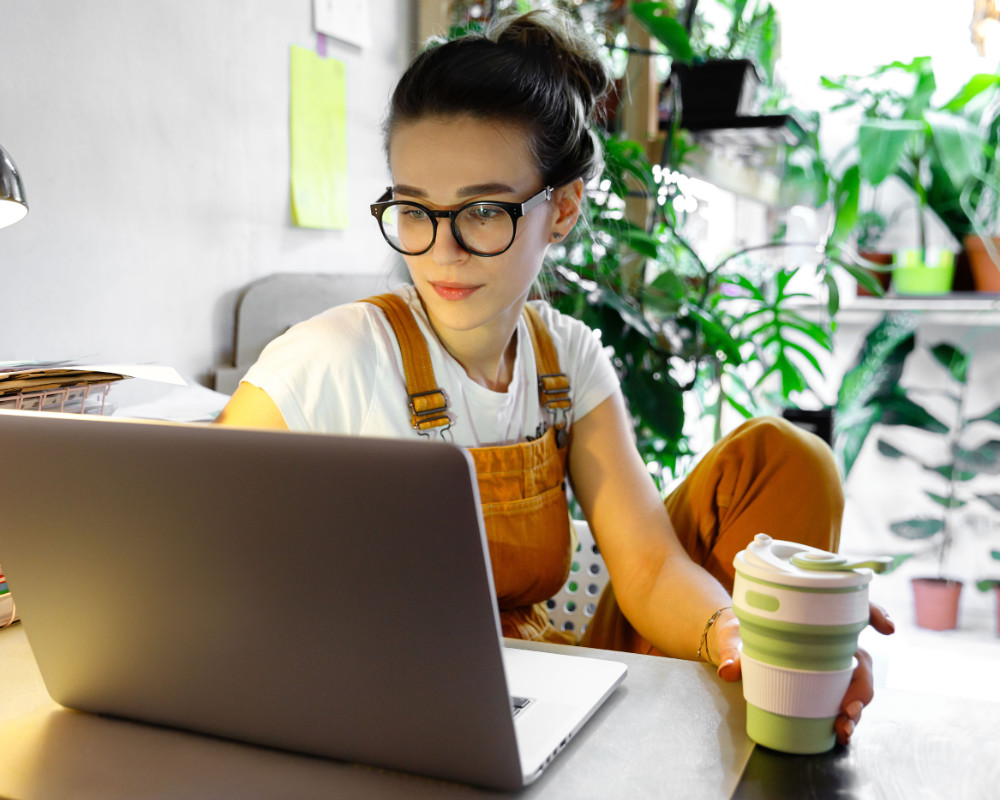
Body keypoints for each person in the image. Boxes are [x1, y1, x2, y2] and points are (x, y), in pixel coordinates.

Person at [216, 9, 893, 746]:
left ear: (562, 208)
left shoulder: (567, 359)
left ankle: (768, 700)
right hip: (383, 708)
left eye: (481, 211)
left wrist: (739, 631)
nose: (442, 252)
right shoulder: (328, 358)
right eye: (414, 209)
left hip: (542, 691)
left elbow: (651, 568)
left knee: (786, 460)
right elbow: (197, 544)